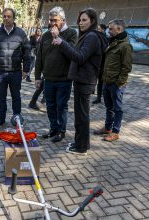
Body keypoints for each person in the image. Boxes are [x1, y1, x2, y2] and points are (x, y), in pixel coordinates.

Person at [51, 8, 107, 154]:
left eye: (84, 20)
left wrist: (61, 42)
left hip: (85, 81)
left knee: (82, 116)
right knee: (80, 115)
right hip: (82, 80)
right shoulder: (87, 35)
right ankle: (81, 143)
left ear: (92, 21)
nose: (80, 23)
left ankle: (81, 147)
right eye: (80, 20)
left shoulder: (92, 37)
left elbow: (79, 57)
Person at [34, 6, 77, 142]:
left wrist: (57, 37)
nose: (52, 23)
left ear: (63, 20)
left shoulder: (72, 33)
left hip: (64, 79)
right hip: (48, 78)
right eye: (51, 20)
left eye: (55, 20)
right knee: (50, 106)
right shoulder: (45, 35)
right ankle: (53, 128)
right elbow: (39, 57)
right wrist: (37, 77)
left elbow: (71, 53)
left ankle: (61, 131)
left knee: (61, 106)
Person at [0, 8, 31, 127]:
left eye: (8, 16)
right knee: (1, 97)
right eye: (4, 16)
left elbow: (27, 52)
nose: (6, 18)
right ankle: (1, 118)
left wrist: (26, 69)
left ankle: (17, 118)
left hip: (15, 72)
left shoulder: (21, 33)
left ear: (13, 18)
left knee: (16, 96)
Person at [93, 19, 133, 142]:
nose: (108, 31)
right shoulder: (112, 42)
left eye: (111, 29)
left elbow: (126, 68)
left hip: (116, 83)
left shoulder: (125, 45)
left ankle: (115, 132)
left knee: (117, 108)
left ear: (119, 29)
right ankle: (107, 128)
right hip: (106, 80)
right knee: (109, 107)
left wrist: (119, 83)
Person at [92, 24, 109, 104]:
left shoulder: (106, 38)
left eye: (98, 29)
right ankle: (93, 91)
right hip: (97, 63)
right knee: (94, 79)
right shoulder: (98, 37)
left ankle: (99, 97)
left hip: (103, 63)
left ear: (103, 30)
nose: (97, 30)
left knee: (101, 82)